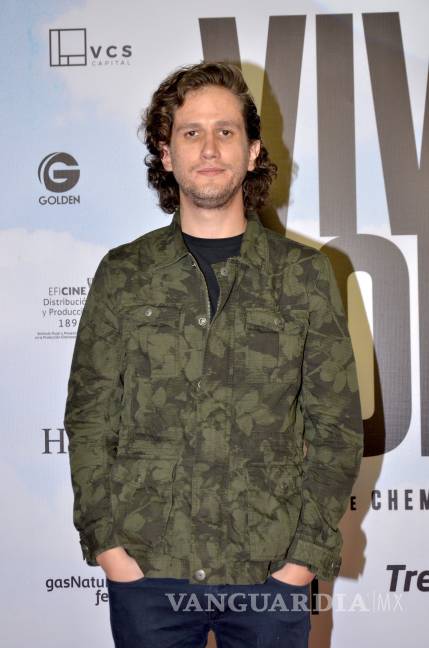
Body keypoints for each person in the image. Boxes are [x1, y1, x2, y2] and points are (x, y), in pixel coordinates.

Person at [64, 61, 364, 648]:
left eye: (225, 131)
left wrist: (301, 562)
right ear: (166, 153)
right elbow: (90, 417)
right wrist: (109, 547)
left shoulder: (303, 276)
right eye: (190, 132)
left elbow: (336, 429)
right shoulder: (124, 273)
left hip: (268, 570)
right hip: (148, 569)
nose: (208, 148)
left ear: (252, 152)